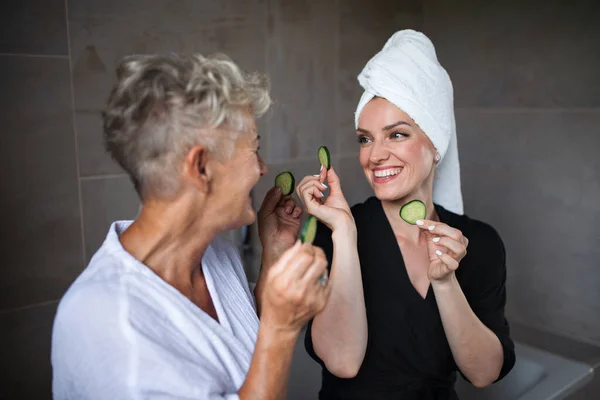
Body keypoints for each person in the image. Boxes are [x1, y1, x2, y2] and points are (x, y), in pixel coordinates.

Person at [51, 52, 331, 399]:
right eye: (253, 150)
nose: (262, 168)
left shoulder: (213, 253)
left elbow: (236, 350)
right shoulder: (108, 323)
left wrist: (273, 256)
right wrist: (282, 330)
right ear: (200, 167)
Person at [295, 30, 516, 399]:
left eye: (396, 135)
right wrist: (345, 237)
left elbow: (483, 373)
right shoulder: (332, 232)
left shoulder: (479, 242)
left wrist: (445, 282)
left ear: (435, 144)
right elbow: (343, 361)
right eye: (365, 139)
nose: (374, 155)